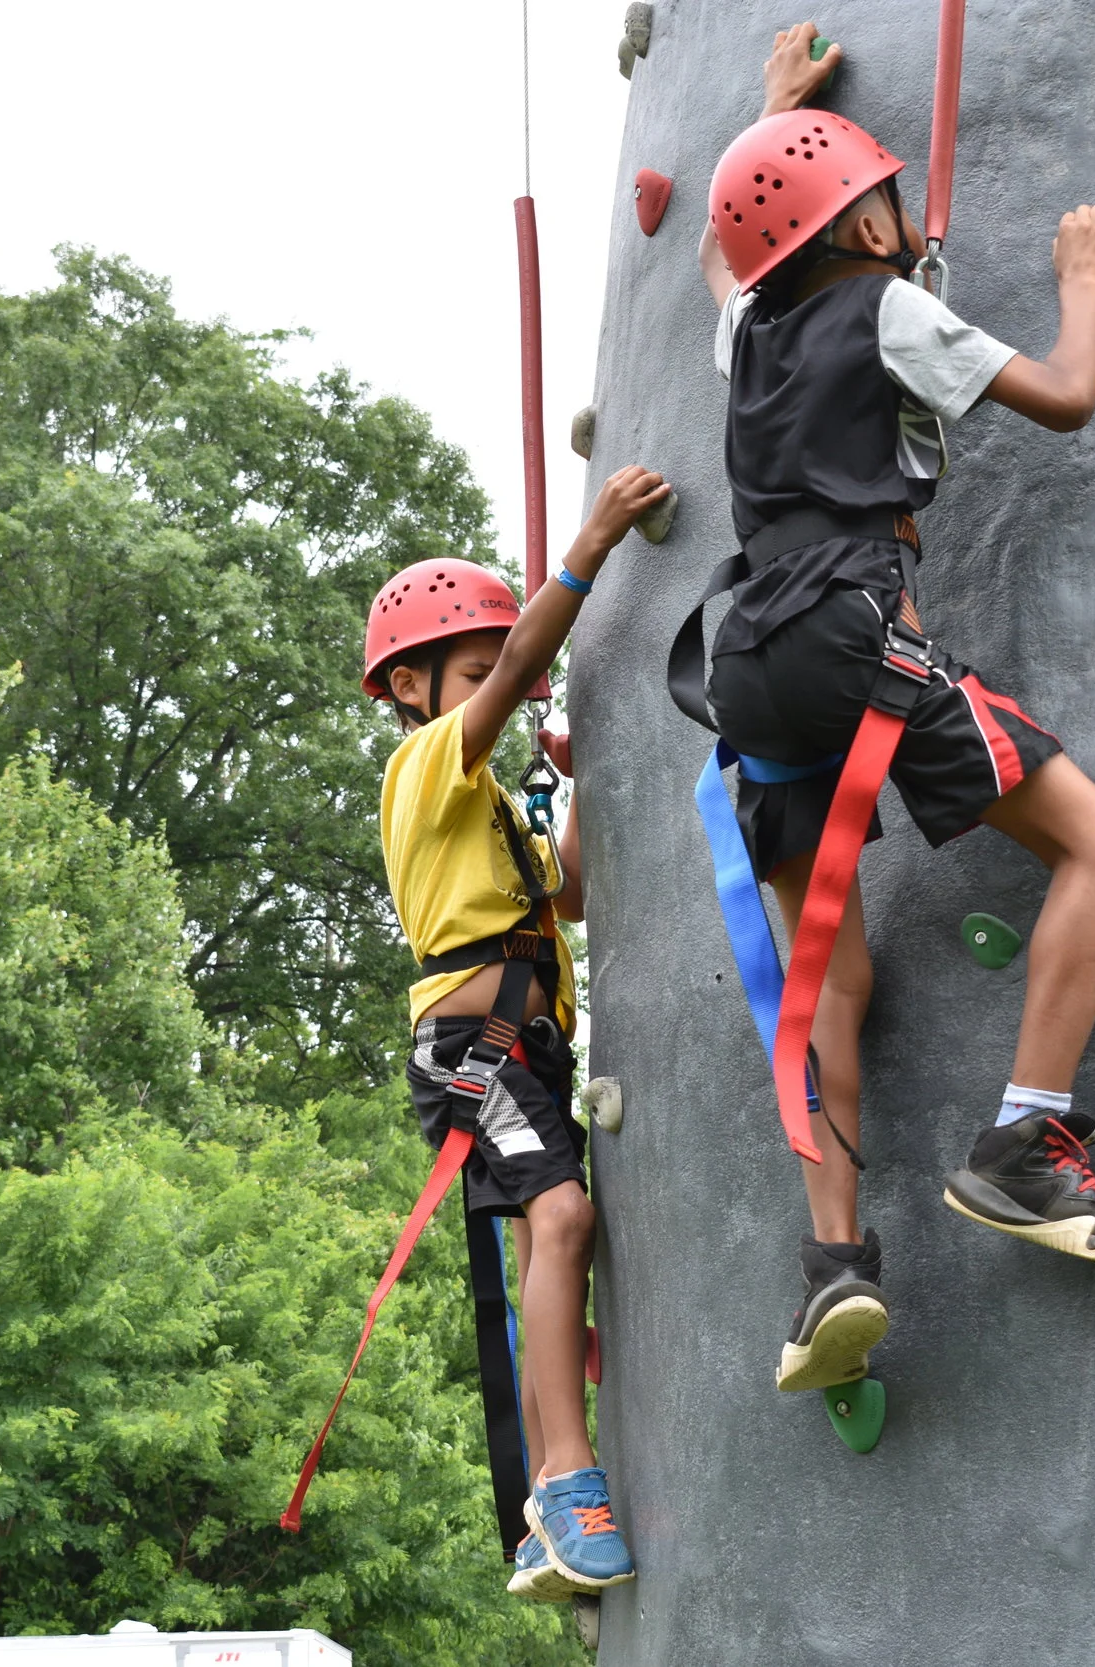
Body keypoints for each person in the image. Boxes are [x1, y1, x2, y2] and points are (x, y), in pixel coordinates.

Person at [690, 25, 1095, 1397]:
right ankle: (1025, 1142)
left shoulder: (749, 334)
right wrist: (1075, 279)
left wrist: (767, 111)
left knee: (828, 975)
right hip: (852, 631)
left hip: (748, 659)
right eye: (886, 200)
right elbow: (1066, 397)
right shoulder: (885, 308)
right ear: (862, 224)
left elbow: (723, 263)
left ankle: (832, 1265)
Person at [369, 464, 669, 1600]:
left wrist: (586, 780)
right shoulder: (425, 766)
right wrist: (590, 546)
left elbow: (572, 893)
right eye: (475, 670)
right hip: (474, 1049)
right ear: (411, 686)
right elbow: (509, 684)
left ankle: (552, 1492)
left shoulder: (489, 802)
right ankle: (566, 1477)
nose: (497, 688)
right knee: (563, 1216)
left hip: (521, 1050)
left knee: (559, 1242)